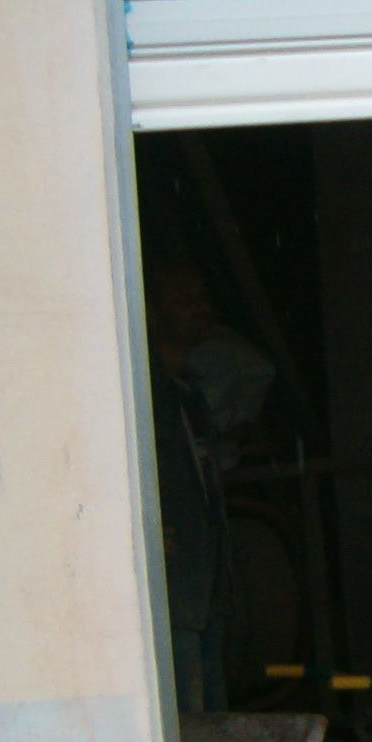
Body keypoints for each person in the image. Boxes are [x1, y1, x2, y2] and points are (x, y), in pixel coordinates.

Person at [146, 256, 230, 714]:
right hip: (175, 594)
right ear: (153, 315)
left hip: (204, 588)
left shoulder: (187, 390)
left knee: (212, 723)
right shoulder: (141, 389)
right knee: (190, 731)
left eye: (201, 298)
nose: (198, 308)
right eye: (182, 300)